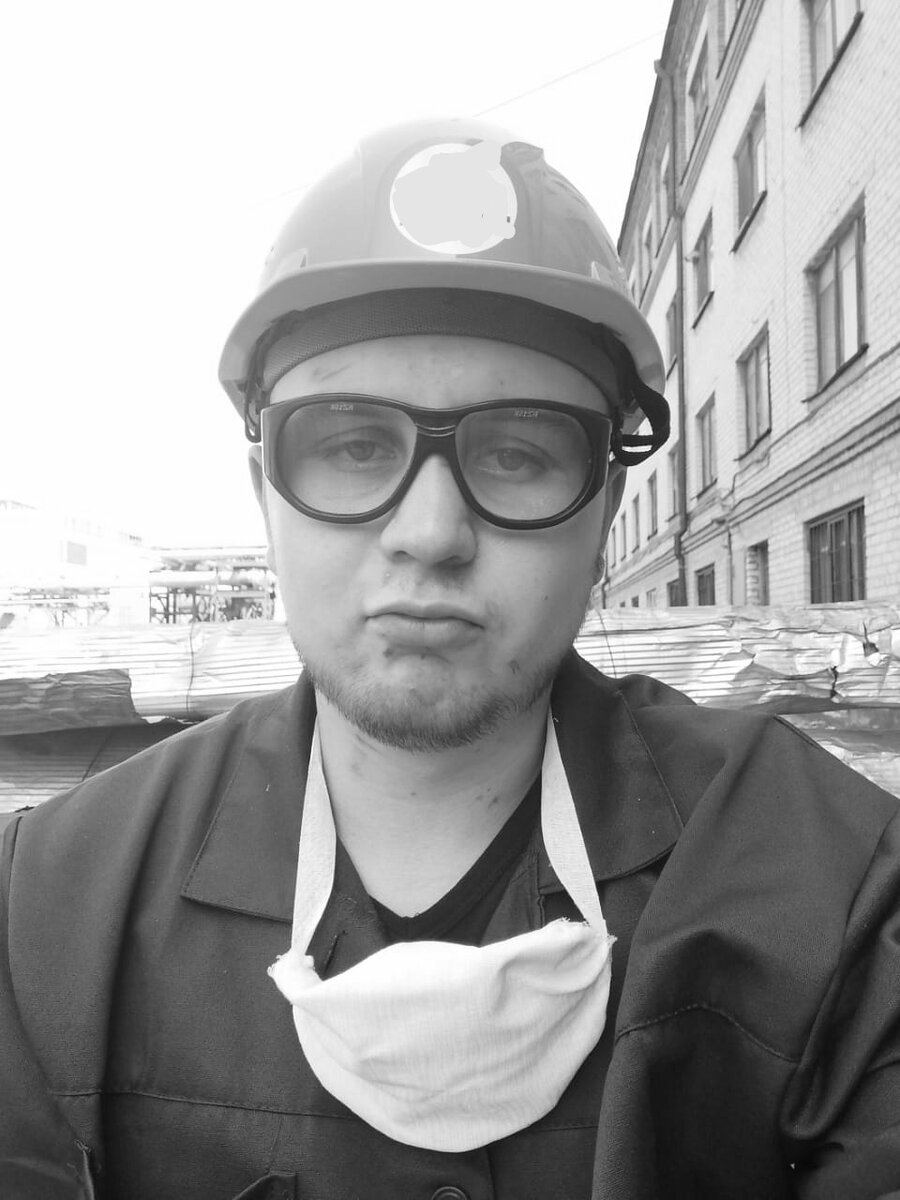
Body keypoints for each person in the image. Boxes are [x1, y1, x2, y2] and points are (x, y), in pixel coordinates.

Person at [2, 117, 899, 1200]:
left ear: (605, 510)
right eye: (352, 444)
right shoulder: (48, 914)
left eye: (517, 452)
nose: (430, 533)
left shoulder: (833, 886)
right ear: (265, 496)